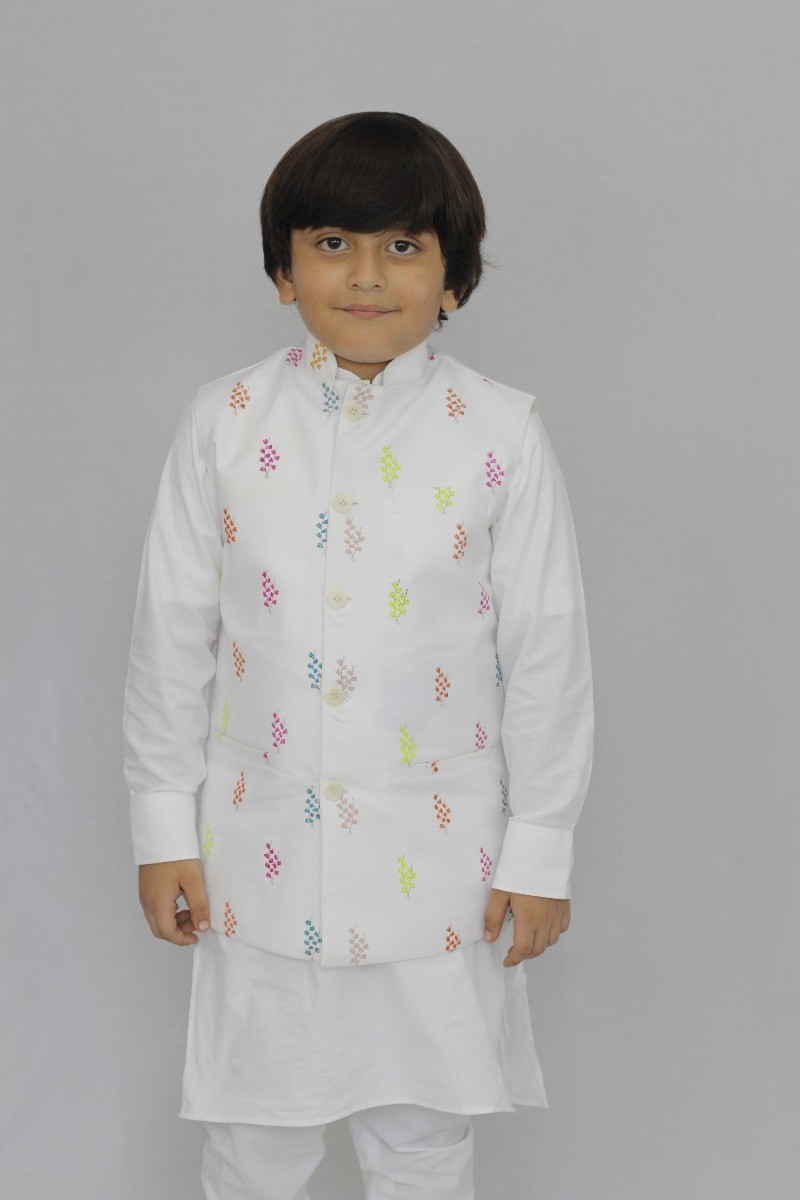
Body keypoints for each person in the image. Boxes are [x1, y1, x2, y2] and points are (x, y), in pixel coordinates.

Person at [122, 110, 594, 1200]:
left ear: (453, 278)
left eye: (404, 245)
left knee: (422, 1140)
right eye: (332, 243)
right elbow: (170, 638)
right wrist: (160, 827)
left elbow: (547, 653)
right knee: (254, 1144)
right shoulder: (223, 424)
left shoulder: (500, 433)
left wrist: (541, 849)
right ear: (282, 270)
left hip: (441, 864)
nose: (367, 275)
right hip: (257, 852)